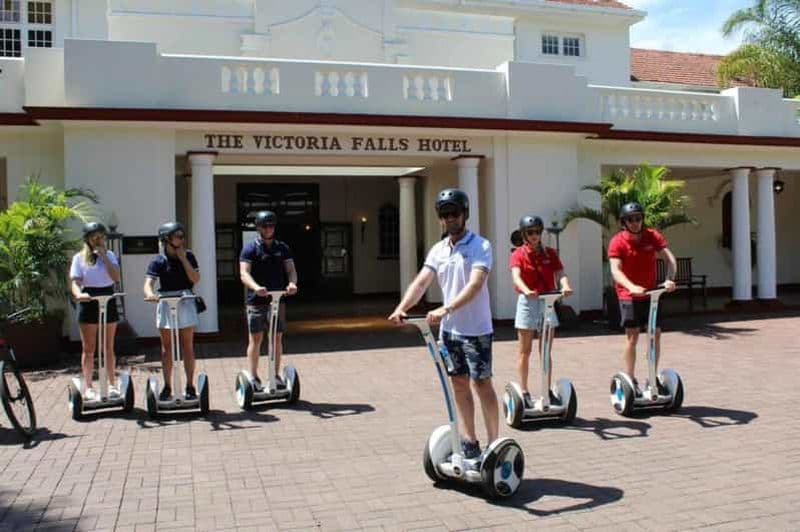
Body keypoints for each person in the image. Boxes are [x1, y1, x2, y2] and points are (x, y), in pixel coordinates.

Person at [389, 188, 497, 460]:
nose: (450, 219)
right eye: (445, 214)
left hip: (476, 330)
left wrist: (446, 308)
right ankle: (470, 440)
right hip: (450, 332)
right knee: (458, 383)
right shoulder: (438, 250)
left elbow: (475, 285)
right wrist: (402, 307)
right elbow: (421, 282)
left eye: (454, 213)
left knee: (482, 383)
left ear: (465, 214)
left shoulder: (480, 246)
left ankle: (495, 444)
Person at [607, 202, 677, 392]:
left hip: (651, 294)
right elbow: (615, 270)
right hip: (628, 295)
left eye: (638, 218)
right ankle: (630, 379)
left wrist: (669, 279)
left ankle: (652, 378)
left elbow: (670, 259)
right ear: (624, 222)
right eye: (630, 219)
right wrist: (631, 287)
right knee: (633, 336)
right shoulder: (617, 242)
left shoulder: (652, 236)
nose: (635, 222)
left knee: (655, 334)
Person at [509, 215, 573, 407]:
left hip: (547, 302)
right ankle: (524, 391)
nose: (535, 235)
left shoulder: (550, 253)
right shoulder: (518, 254)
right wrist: (526, 289)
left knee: (545, 351)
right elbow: (516, 276)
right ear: (523, 234)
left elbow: (560, 273)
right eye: (530, 232)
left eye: (538, 231)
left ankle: (546, 390)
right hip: (528, 302)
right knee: (525, 351)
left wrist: (565, 285)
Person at [239, 211, 298, 390]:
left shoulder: (282, 248)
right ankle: (254, 377)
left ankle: (275, 375)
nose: (268, 229)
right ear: (258, 228)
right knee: (256, 339)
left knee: (276, 338)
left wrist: (292, 283)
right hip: (256, 301)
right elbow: (244, 273)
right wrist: (256, 287)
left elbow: (291, 270)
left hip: (277, 299)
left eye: (271, 226)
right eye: (265, 226)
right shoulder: (250, 248)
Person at [143, 222, 200, 400]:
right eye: (178, 236)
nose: (182, 240)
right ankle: (167, 386)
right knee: (167, 348)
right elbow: (148, 284)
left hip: (185, 299)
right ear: (167, 239)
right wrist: (150, 294)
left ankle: (190, 386)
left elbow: (195, 279)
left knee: (187, 346)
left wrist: (183, 259)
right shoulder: (158, 261)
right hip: (166, 301)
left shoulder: (189, 256)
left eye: (183, 236)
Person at [69, 222, 122, 399]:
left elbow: (116, 277)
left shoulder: (110, 255)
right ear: (88, 239)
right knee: (89, 348)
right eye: (95, 237)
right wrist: (79, 294)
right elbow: (76, 282)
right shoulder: (79, 258)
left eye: (102, 236)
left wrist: (104, 257)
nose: (99, 240)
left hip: (107, 297)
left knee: (108, 347)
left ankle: (112, 384)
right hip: (88, 299)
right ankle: (89, 387)